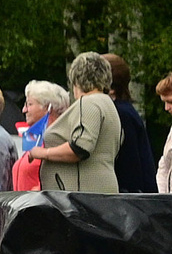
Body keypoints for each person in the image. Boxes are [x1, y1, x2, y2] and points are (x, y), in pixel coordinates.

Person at [34, 52, 123, 194]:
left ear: (76, 80)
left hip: (81, 198)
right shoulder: (108, 104)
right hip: (101, 189)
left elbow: (80, 148)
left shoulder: (87, 103)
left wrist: (43, 153)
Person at [102, 56, 156, 194]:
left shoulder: (121, 113)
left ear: (111, 88)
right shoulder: (123, 110)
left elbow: (131, 164)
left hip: (132, 199)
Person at [12, 82, 70, 191]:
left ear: (48, 107)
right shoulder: (37, 138)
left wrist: (38, 192)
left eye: (29, 104)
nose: (24, 110)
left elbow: (62, 179)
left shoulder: (57, 139)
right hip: (25, 205)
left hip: (39, 206)